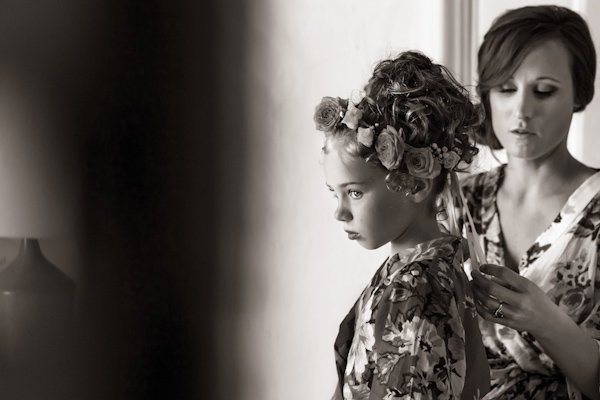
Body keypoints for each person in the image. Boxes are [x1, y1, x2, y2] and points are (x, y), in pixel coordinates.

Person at [314, 51, 490, 400]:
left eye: (354, 193)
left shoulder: (415, 290)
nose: (340, 212)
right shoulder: (431, 270)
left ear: (417, 184)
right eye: (335, 194)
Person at [462, 5, 600, 399]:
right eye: (505, 89)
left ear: (580, 94)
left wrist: (544, 319)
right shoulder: (459, 199)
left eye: (543, 91)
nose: (521, 110)